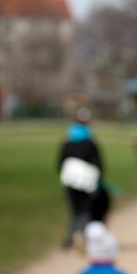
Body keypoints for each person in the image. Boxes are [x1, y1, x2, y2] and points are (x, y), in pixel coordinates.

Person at [57, 107, 103, 250]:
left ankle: (72, 238)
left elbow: (59, 163)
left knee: (73, 210)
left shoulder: (67, 142)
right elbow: (99, 163)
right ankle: (82, 235)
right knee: (85, 210)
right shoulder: (91, 143)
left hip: (70, 181)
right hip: (86, 182)